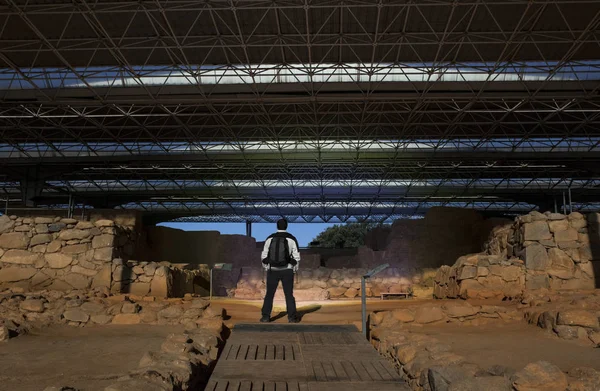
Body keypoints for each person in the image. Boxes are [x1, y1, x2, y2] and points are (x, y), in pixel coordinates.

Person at [260, 218, 301, 323]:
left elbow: (264, 255)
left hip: (272, 270)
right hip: (287, 270)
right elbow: (296, 257)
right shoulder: (292, 239)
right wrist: (294, 269)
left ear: (276, 226)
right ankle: (291, 318)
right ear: (286, 226)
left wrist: (267, 268)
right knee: (289, 295)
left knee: (269, 294)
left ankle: (265, 317)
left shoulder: (269, 238)